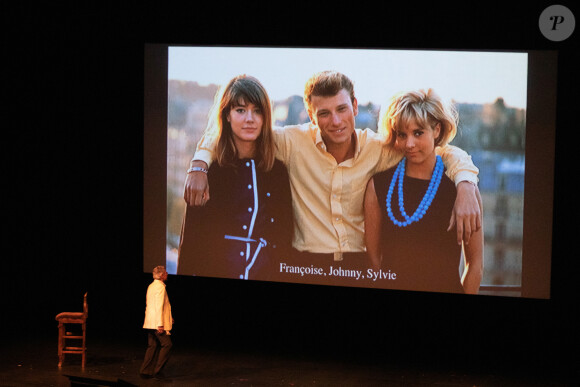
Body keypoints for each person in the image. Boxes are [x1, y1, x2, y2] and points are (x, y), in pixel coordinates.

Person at [186, 71, 481, 286]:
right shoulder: (292, 142)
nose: (336, 121)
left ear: (354, 105)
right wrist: (200, 163)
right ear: (311, 116)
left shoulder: (378, 148)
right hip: (304, 267)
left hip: (356, 270)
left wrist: (466, 183)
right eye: (324, 113)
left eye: (342, 109)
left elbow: (440, 150)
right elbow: (241, 131)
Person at [364, 89, 484, 294]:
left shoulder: (462, 189)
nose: (409, 144)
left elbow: (475, 264)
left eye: (418, 133)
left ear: (437, 130)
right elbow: (374, 260)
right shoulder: (378, 185)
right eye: (402, 134)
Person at [177, 75, 293, 281]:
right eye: (240, 110)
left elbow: (284, 238)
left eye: (257, 111)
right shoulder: (208, 173)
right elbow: (190, 244)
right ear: (227, 115)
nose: (250, 118)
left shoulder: (278, 171)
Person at [140, 266, 174, 380]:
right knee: (167, 344)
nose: (167, 273)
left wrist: (168, 318)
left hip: (150, 321)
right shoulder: (160, 287)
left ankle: (145, 371)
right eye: (165, 272)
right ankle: (157, 372)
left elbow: (154, 305)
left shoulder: (151, 285)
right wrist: (160, 324)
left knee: (152, 345)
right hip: (156, 322)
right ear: (161, 275)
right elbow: (158, 306)